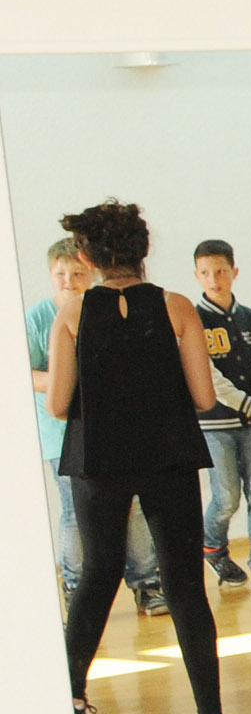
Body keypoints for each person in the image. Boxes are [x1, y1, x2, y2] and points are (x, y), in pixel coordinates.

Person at [47, 201, 239, 714]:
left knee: (98, 575)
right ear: (143, 251)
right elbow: (204, 397)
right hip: (168, 455)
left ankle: (71, 705)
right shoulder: (177, 306)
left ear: (87, 258)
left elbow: (57, 404)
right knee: (184, 587)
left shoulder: (72, 312)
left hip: (98, 458)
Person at [31, 238, 161, 611]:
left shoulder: (106, 310)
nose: (69, 281)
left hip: (113, 431)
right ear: (50, 274)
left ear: (90, 272)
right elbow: (26, 373)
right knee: (74, 513)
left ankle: (146, 582)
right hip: (62, 436)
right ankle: (74, 588)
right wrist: (67, 380)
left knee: (132, 507)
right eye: (60, 274)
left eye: (77, 273)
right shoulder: (37, 319)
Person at [188, 241, 251, 594]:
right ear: (197, 275)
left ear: (234, 272)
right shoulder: (194, 320)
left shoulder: (249, 317)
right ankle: (212, 547)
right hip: (215, 426)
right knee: (227, 497)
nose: (214, 279)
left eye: (221, 271)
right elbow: (210, 377)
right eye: (205, 273)